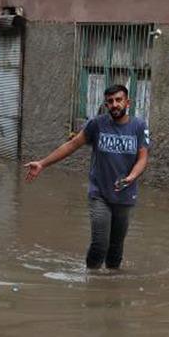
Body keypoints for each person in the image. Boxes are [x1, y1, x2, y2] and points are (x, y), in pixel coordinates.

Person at [24, 85, 149, 270]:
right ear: (106, 104)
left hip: (125, 194)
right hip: (99, 194)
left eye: (118, 100)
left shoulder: (138, 126)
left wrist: (132, 177)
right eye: (110, 101)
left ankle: (111, 288)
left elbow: (143, 157)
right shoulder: (97, 124)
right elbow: (72, 144)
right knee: (99, 244)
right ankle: (91, 279)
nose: (114, 105)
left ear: (127, 102)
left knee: (116, 248)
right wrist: (42, 163)